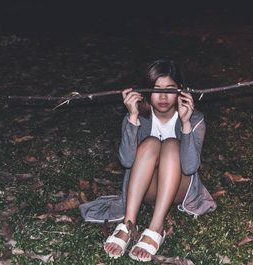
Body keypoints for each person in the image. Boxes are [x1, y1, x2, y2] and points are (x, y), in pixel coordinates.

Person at [80, 59, 216, 262]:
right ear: (145, 91)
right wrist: (132, 117)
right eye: (156, 89)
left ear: (180, 90)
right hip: (146, 188)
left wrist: (186, 124)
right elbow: (127, 161)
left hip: (178, 188)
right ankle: (128, 224)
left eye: (170, 89)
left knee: (171, 145)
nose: (163, 96)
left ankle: (156, 227)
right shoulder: (139, 116)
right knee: (151, 142)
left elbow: (190, 167)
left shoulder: (194, 118)